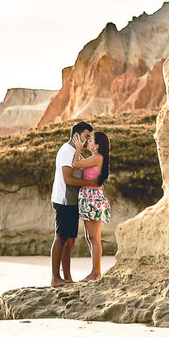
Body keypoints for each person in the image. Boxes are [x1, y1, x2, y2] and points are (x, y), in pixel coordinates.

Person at [50, 121, 93, 287]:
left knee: (70, 240)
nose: (88, 140)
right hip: (64, 200)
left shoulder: (75, 152)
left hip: (74, 201)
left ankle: (66, 277)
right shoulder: (66, 151)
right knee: (61, 238)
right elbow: (68, 178)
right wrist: (88, 183)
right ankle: (55, 277)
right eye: (86, 136)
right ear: (76, 136)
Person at [70, 130, 111, 281]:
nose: (88, 142)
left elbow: (75, 164)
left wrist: (79, 148)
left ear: (97, 146)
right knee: (91, 237)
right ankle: (95, 272)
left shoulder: (98, 158)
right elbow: (81, 162)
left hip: (92, 198)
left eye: (91, 140)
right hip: (89, 198)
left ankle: (95, 273)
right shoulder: (95, 158)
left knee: (94, 238)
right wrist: (77, 148)